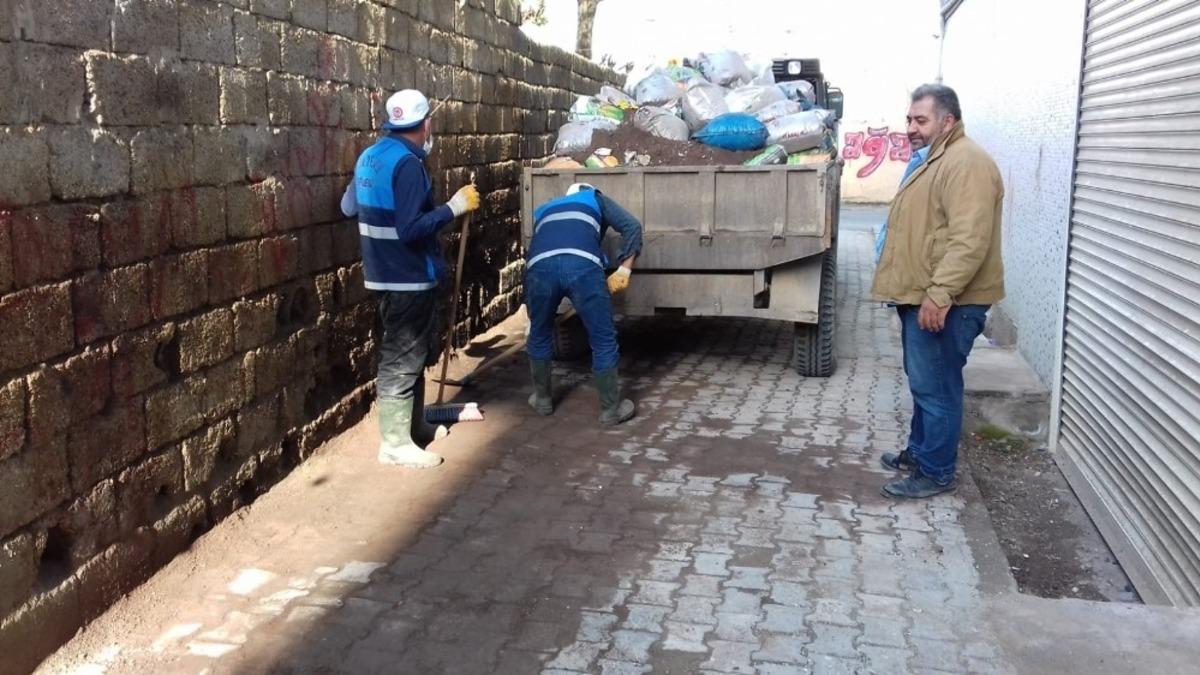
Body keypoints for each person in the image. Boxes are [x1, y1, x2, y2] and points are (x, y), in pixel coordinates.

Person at [872, 83, 1005, 499]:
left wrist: (940, 294)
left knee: (938, 387)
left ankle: (936, 472)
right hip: (922, 294)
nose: (910, 127)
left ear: (948, 121)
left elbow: (969, 239)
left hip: (948, 302)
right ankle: (921, 452)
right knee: (924, 382)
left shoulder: (965, 163)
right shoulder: (935, 158)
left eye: (920, 120)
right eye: (909, 118)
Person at [343, 89, 480, 468]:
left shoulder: (369, 156)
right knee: (402, 357)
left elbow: (347, 207)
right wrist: (453, 207)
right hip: (408, 274)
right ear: (426, 124)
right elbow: (410, 229)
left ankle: (413, 426)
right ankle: (394, 443)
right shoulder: (408, 165)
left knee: (412, 352)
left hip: (381, 272)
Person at [524, 183, 643, 425]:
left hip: (539, 267)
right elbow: (632, 227)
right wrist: (624, 270)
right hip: (583, 266)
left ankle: (543, 400)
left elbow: (544, 245)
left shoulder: (544, 209)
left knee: (539, 333)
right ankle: (611, 410)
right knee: (602, 338)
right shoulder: (594, 198)